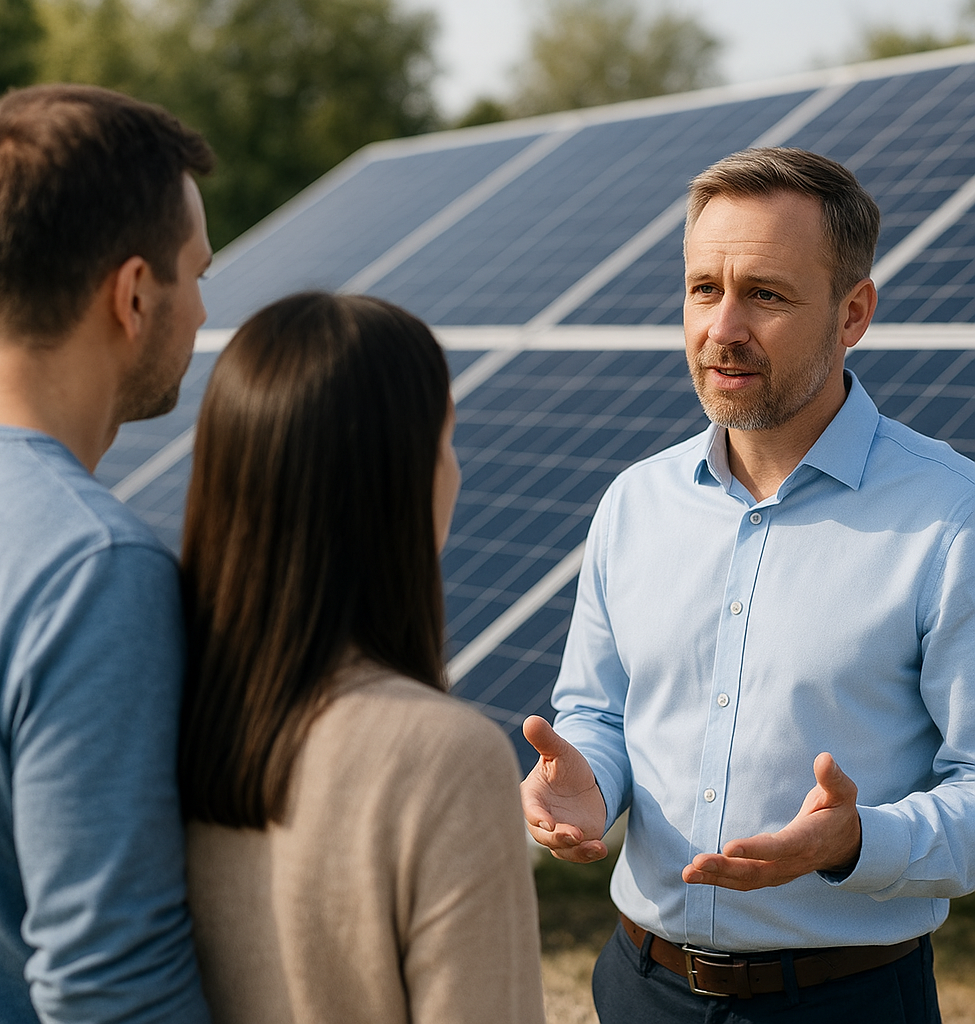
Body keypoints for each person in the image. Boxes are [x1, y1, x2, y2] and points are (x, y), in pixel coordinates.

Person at [521, 147, 975, 1023]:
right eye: (703, 289)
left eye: (765, 294)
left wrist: (857, 842)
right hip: (636, 988)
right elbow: (599, 715)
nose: (722, 327)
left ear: (854, 314)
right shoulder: (634, 504)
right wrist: (591, 785)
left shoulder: (951, 520)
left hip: (848, 1004)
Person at [179, 291, 546, 1024]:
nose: (458, 472)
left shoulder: (158, 708)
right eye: (446, 440)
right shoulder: (444, 759)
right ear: (396, 476)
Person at [0, 85, 213, 1022]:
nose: (202, 312)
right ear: (134, 295)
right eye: (196, 274)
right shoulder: (90, 571)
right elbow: (112, 989)